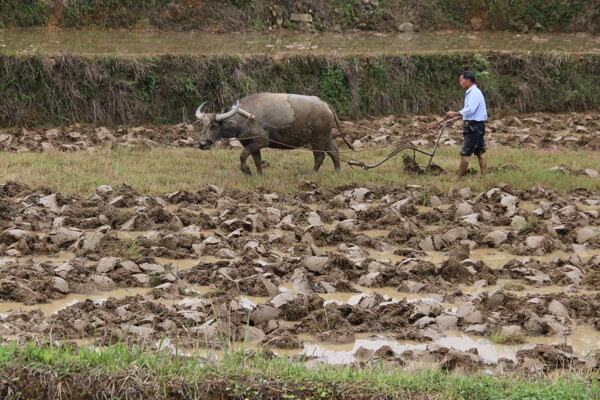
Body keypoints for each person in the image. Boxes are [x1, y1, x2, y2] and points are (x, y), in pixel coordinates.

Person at [429, 71, 488, 181]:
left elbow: (470, 110)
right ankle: (484, 176)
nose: (460, 83)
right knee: (480, 152)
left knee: (465, 153)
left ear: (468, 80)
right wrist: (453, 120)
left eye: (461, 80)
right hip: (477, 126)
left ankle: (458, 177)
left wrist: (455, 113)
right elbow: (469, 113)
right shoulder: (472, 92)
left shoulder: (474, 93)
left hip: (473, 127)